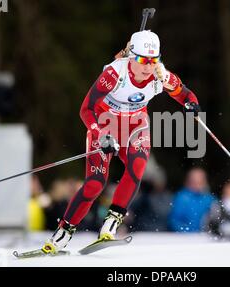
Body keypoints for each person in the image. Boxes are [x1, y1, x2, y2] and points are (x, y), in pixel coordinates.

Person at [41, 30, 202, 254]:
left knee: (137, 167)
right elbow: (86, 109)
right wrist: (100, 133)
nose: (148, 66)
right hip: (104, 124)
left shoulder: (160, 75)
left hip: (136, 126)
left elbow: (185, 94)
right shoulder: (114, 73)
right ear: (131, 57)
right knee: (96, 183)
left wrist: (191, 105)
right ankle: (63, 233)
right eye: (143, 60)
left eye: (153, 60)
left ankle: (111, 224)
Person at [168, 168, 216, 232]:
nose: (198, 185)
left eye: (201, 182)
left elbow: (216, 217)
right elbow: (173, 221)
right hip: (186, 238)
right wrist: (187, 232)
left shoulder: (210, 198)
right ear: (189, 181)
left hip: (205, 237)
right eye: (195, 182)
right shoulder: (181, 198)